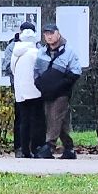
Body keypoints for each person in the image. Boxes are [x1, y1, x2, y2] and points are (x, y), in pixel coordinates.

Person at [34, 22, 83, 159]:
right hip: (47, 92)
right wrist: (40, 84)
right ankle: (69, 148)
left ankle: (49, 146)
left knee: (54, 117)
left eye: (51, 33)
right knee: (58, 120)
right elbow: (36, 72)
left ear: (58, 33)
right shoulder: (42, 52)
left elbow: (76, 72)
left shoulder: (69, 51)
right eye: (46, 34)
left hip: (62, 92)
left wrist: (63, 84)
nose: (49, 36)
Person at [10, 22, 45, 157]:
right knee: (36, 120)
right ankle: (36, 148)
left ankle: (24, 149)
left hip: (20, 91)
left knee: (23, 121)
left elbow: (13, 70)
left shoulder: (16, 52)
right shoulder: (36, 53)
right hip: (35, 90)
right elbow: (41, 70)